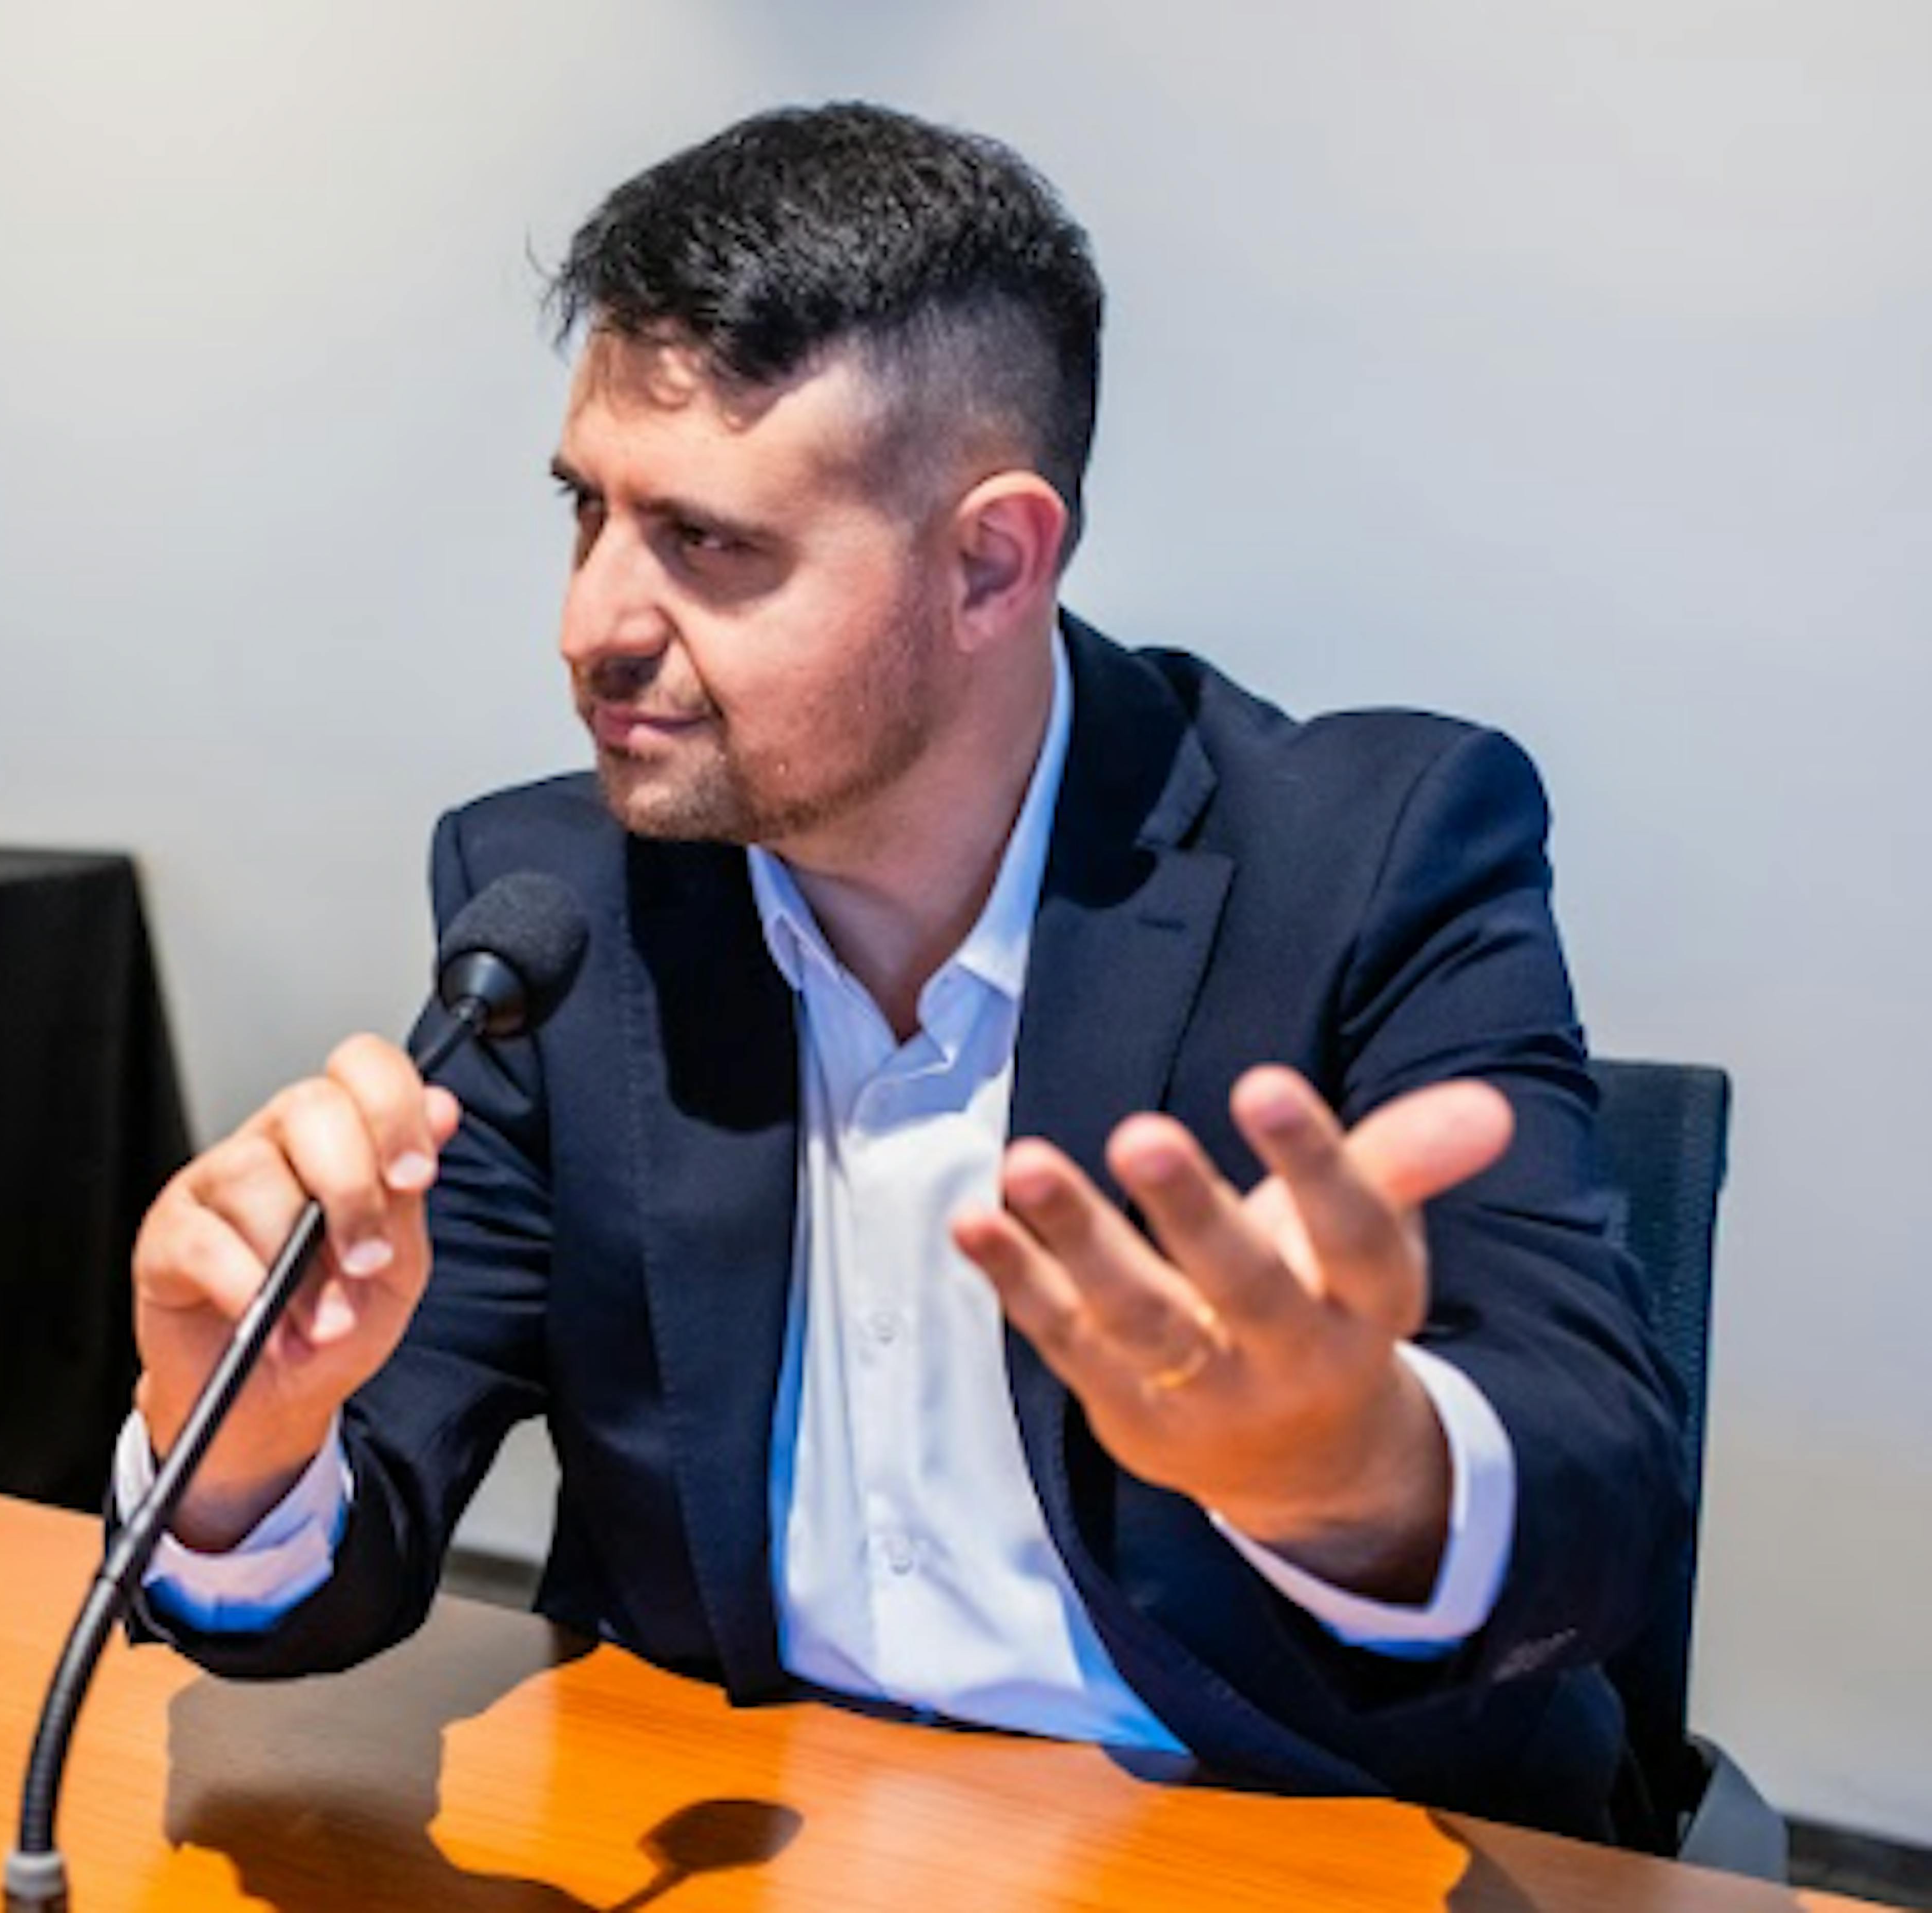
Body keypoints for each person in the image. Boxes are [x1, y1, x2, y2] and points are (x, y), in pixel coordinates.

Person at [119, 102, 1686, 1840]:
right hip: (743, 1832)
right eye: (588, 512)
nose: (590, 627)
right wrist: (239, 1433)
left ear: (991, 563)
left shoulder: (1371, 849)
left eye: (709, 543)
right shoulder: (555, 901)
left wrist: (1352, 1469)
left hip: (1270, 1841)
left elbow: (1602, 1486)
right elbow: (324, 1579)